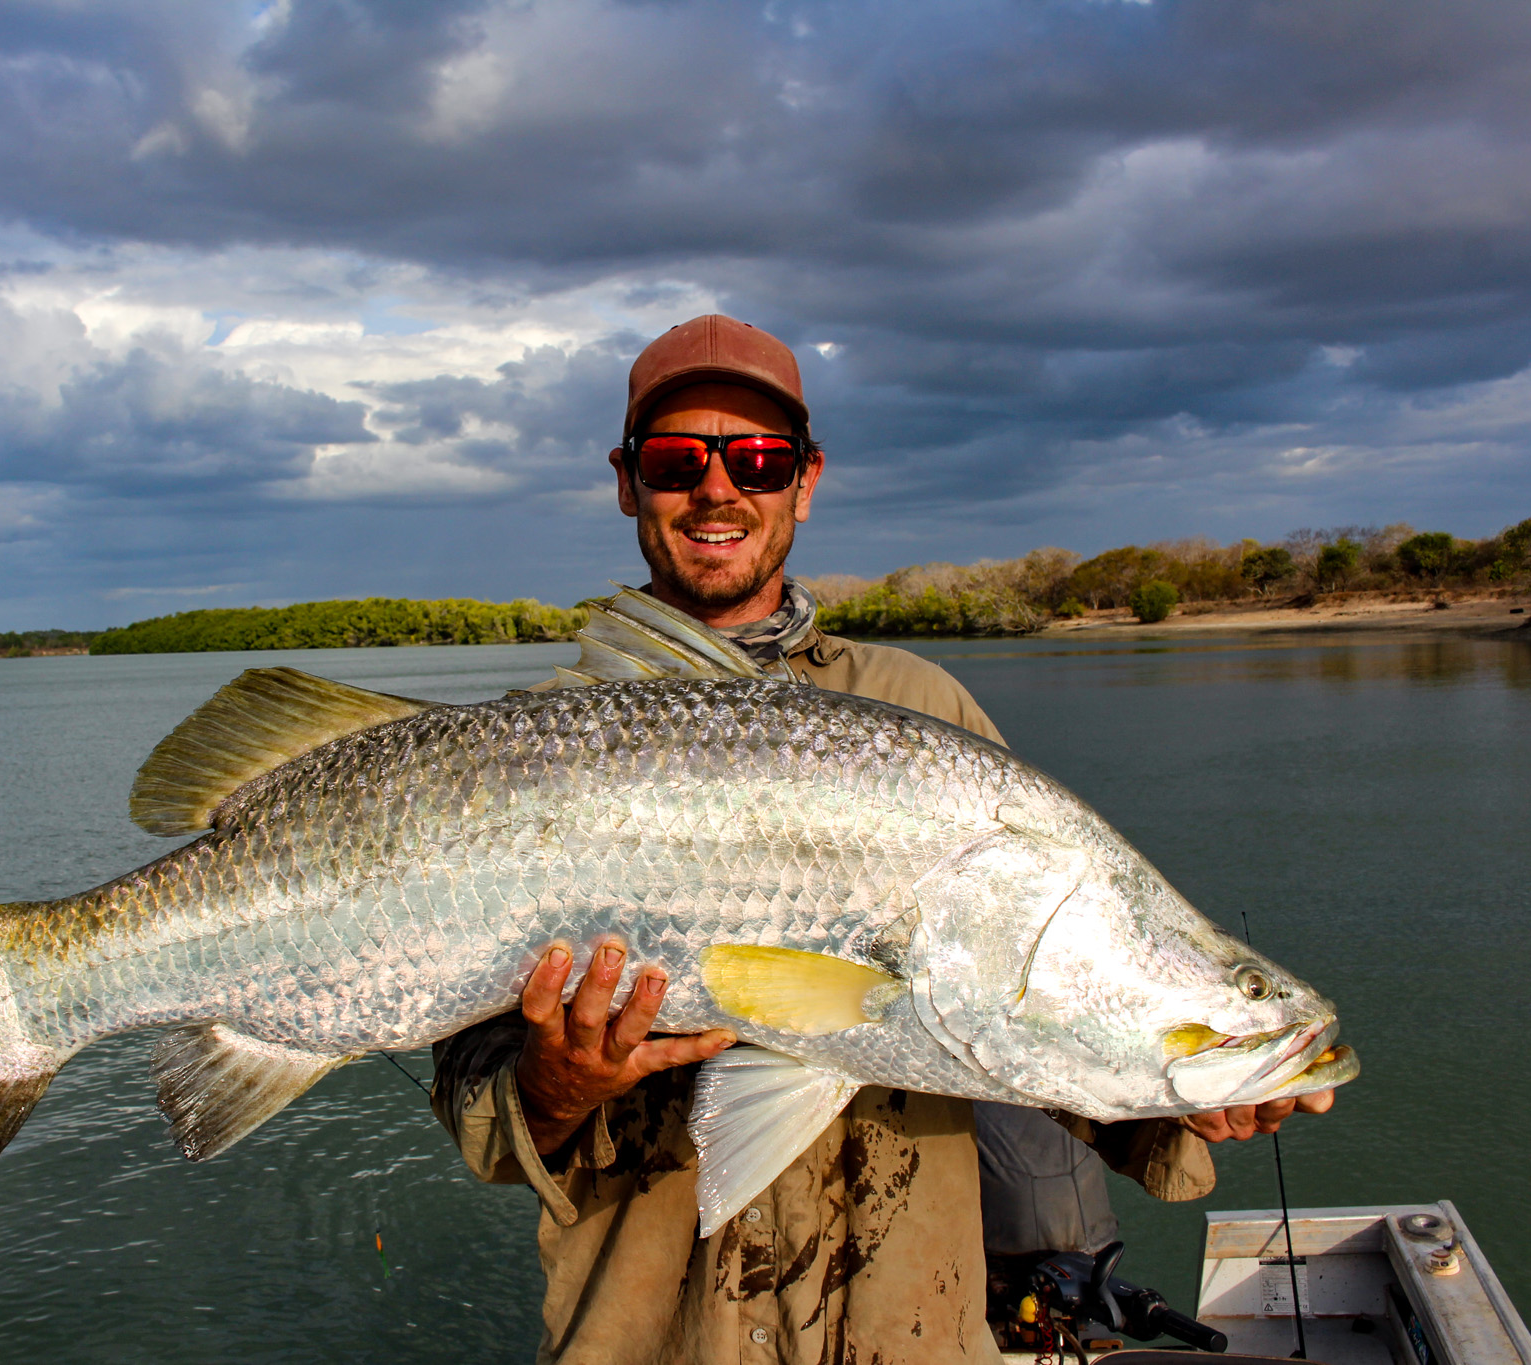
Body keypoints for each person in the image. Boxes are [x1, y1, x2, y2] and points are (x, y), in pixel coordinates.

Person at [430, 315, 1332, 1364]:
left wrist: (1183, 1095)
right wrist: (556, 1084)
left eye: (757, 460)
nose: (718, 489)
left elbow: (1020, 1000)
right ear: (628, 483)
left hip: (909, 1326)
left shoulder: (924, 709)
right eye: (678, 460)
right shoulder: (517, 752)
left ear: (803, 482)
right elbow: (475, 1105)